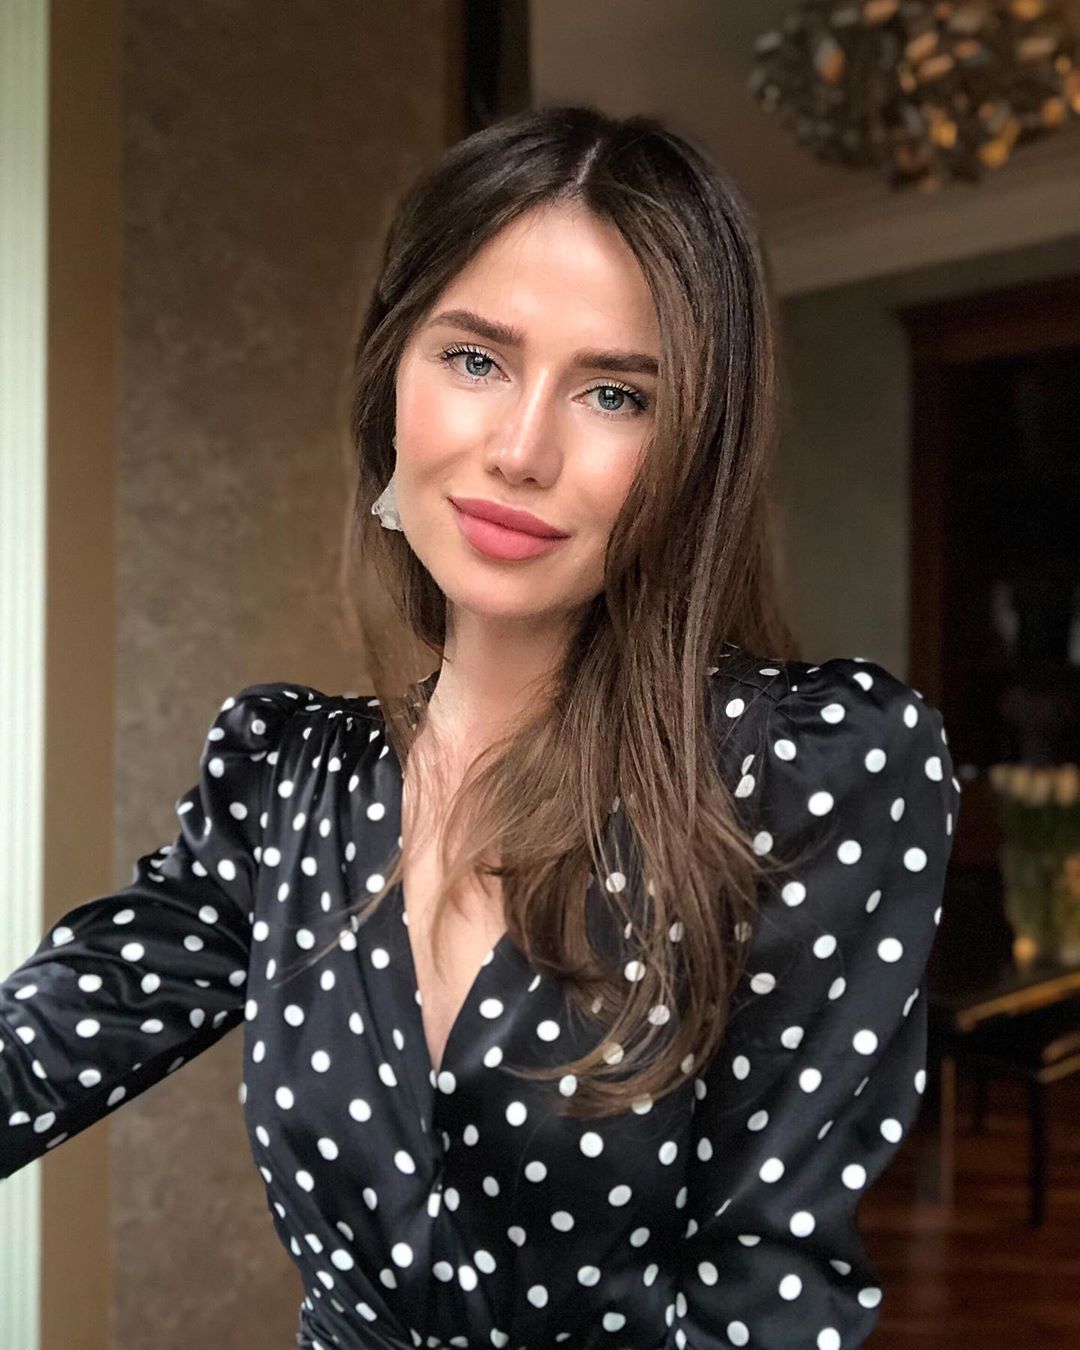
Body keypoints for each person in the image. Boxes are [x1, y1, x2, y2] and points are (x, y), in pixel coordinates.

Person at [0, 104, 960, 1349]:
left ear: (694, 454)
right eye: (475, 360)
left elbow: (768, 1290)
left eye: (614, 393)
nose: (521, 449)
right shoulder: (286, 779)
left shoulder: (813, 769)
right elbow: (36, 1050)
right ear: (390, 384)